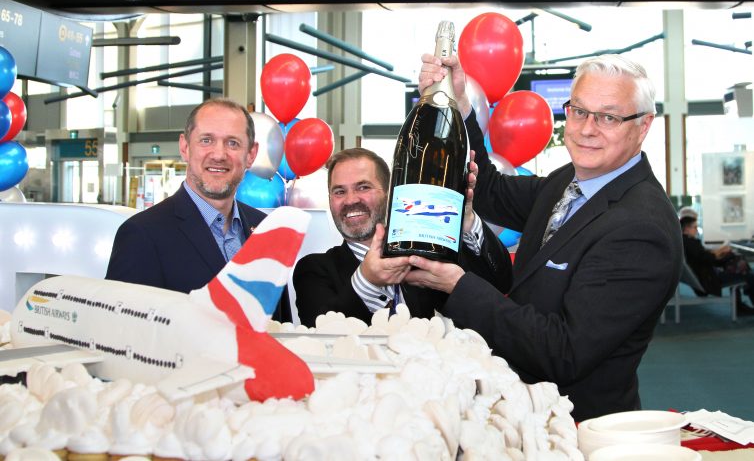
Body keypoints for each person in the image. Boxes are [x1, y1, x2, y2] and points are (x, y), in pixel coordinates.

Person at [407, 53, 683, 421]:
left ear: (644, 125)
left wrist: (459, 286)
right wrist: (460, 105)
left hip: (577, 427)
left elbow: (565, 352)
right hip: (524, 411)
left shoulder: (640, 229)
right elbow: (489, 190)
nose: (587, 129)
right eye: (579, 111)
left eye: (609, 117)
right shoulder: (569, 180)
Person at [106, 97, 291, 322]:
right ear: (185, 147)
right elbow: (123, 332)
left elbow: (282, 329)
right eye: (206, 140)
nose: (219, 154)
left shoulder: (266, 230)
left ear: (251, 155)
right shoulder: (142, 235)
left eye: (233, 143)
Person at [292, 147, 512, 327]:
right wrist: (367, 281)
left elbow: (499, 282)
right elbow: (319, 335)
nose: (350, 200)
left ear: (390, 194)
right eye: (339, 191)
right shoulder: (314, 269)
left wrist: (466, 220)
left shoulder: (427, 256)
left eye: (363, 187)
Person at [680, 214, 754, 312]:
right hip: (710, 280)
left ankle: (741, 302)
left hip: (708, 276)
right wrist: (721, 251)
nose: (697, 230)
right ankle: (744, 294)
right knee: (748, 274)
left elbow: (704, 256)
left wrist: (720, 252)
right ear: (687, 228)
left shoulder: (686, 242)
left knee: (741, 267)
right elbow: (708, 258)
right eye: (695, 227)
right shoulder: (690, 243)